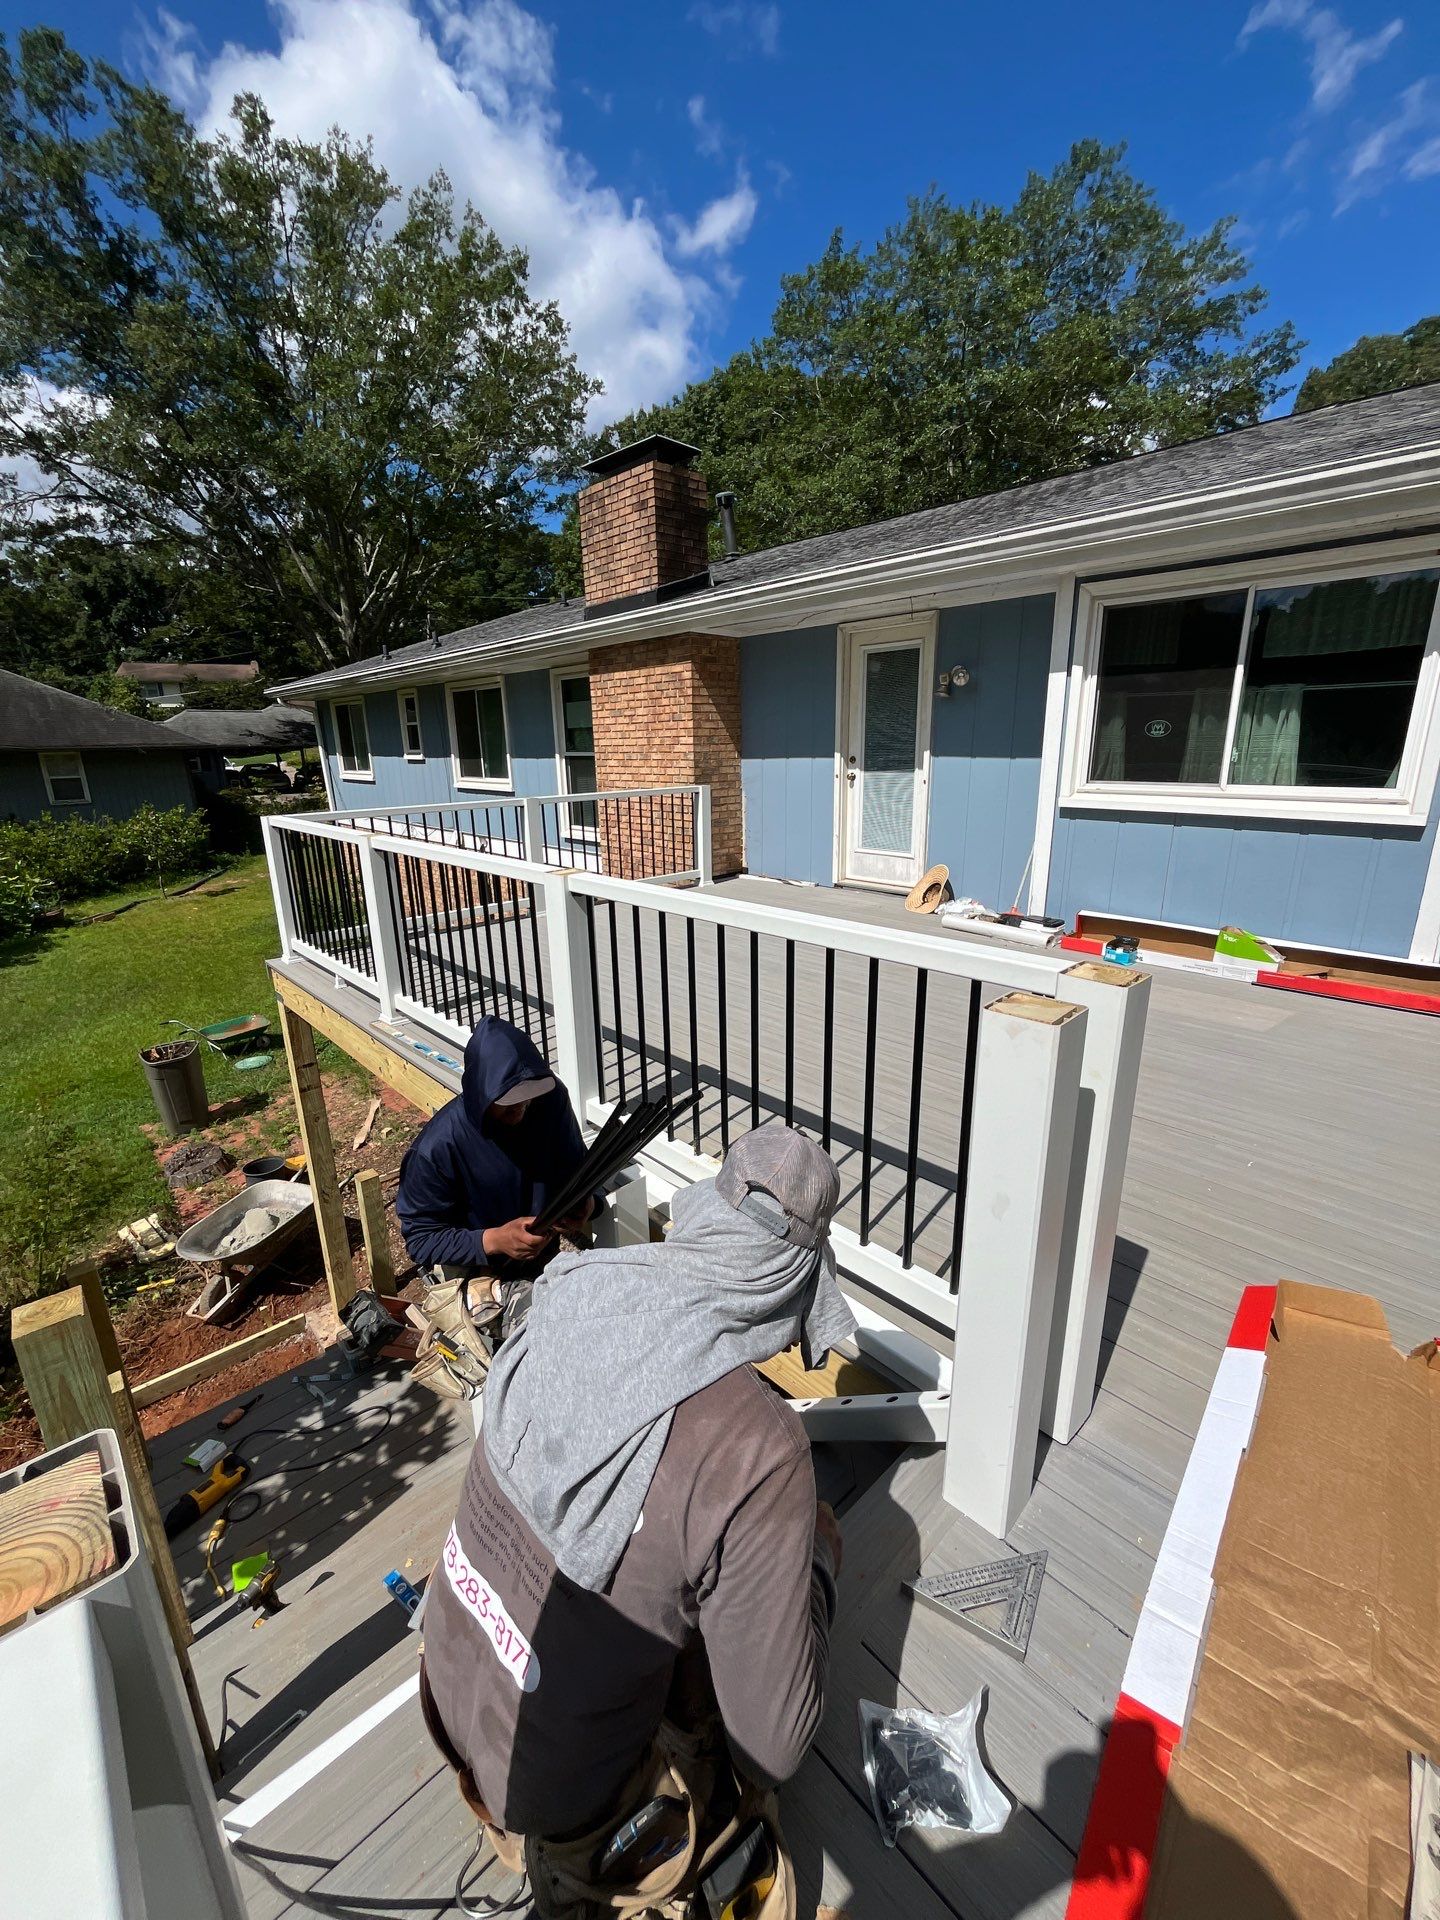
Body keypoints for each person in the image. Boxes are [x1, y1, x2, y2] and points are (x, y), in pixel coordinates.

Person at [419, 1123, 856, 1919]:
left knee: (672, 1580)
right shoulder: (758, 1450)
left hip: (448, 1680)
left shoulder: (577, 1285)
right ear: (795, 1282)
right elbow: (775, 1747)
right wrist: (818, 1569)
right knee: (738, 1701)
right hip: (557, 1785)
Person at [396, 1015, 597, 1281]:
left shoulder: (548, 1101)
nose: (521, 1107)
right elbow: (421, 1239)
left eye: (528, 1097)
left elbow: (577, 1165)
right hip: (473, 1268)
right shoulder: (436, 1149)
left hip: (543, 1252)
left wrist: (588, 1203)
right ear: (481, 1094)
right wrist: (493, 1240)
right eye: (508, 1101)